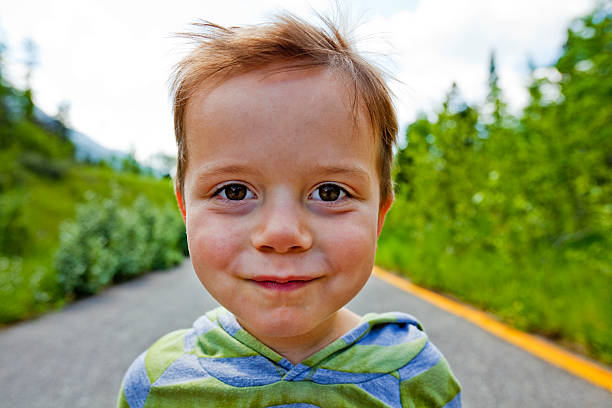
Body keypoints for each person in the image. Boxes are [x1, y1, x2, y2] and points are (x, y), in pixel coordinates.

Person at [117, 10, 461, 408]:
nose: (281, 234)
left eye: (330, 193)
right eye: (233, 191)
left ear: (380, 214)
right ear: (185, 208)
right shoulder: (156, 386)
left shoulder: (417, 378)